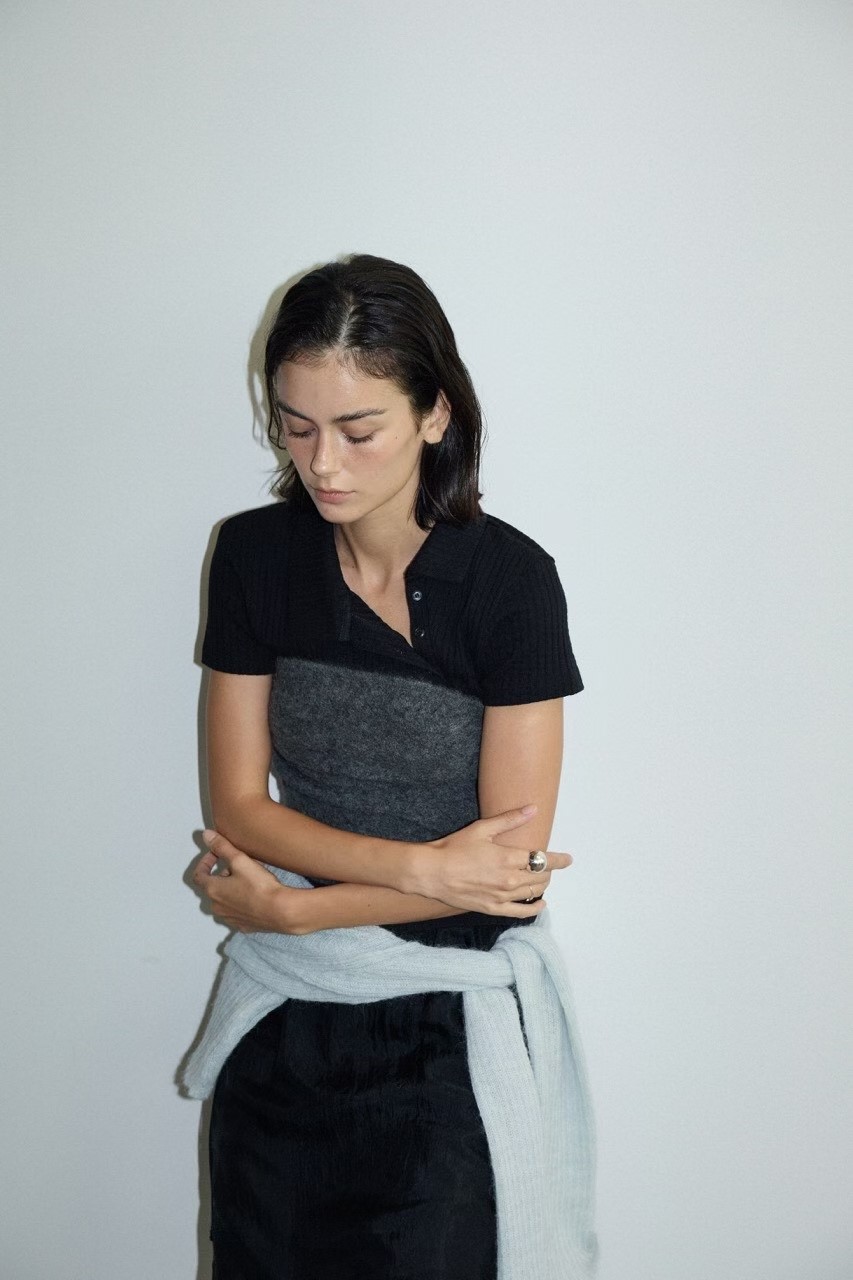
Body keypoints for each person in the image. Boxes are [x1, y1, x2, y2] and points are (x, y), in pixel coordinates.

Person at [184, 254, 596, 1280]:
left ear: (433, 413)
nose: (323, 463)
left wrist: (298, 911)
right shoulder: (255, 557)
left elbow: (505, 875)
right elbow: (237, 804)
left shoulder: (507, 582)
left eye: (357, 429)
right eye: (295, 426)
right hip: (286, 1022)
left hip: (446, 1027)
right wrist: (418, 868)